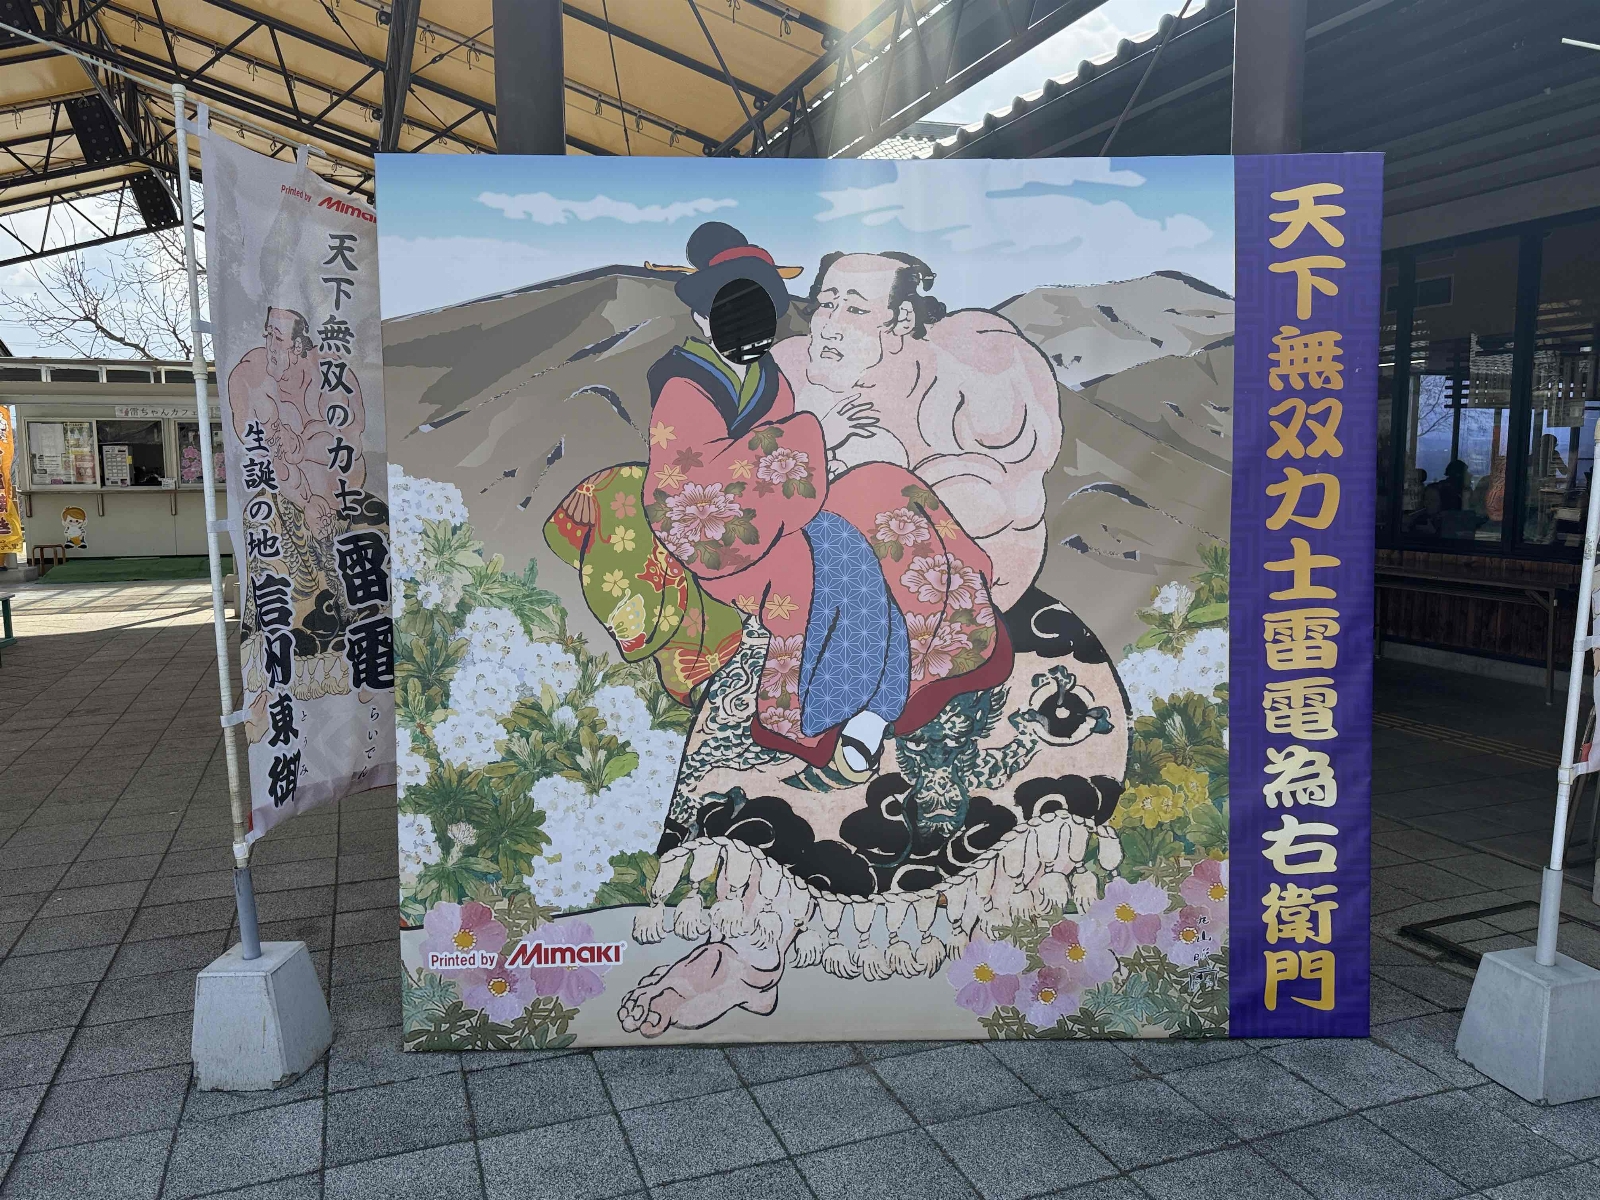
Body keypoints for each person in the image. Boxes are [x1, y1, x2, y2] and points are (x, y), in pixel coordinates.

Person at [548, 223, 1011, 779]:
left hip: (783, 514)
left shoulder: (769, 377)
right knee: (846, 557)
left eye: (760, 314)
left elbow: (789, 459)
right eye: (733, 315)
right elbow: (691, 490)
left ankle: (905, 681)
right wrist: (817, 435)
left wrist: (819, 449)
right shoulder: (685, 386)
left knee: (890, 494)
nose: (749, 329)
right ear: (703, 319)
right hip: (727, 537)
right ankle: (841, 709)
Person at [771, 251, 1062, 612]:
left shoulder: (973, 368)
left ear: (903, 318)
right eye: (827, 304)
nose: (830, 324)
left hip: (956, 603)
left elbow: (1016, 506)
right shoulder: (791, 366)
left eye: (856, 310)